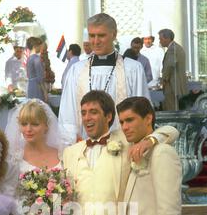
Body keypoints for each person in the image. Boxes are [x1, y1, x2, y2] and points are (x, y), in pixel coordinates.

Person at [58, 13, 150, 147]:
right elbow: (68, 114)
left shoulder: (132, 69)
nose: (95, 41)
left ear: (114, 34)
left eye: (101, 35)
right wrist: (70, 145)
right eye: (92, 36)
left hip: (123, 147)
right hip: (85, 147)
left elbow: (142, 110)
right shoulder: (76, 71)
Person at [159, 29, 188, 111]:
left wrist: (164, 80)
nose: (160, 41)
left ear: (167, 39)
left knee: (171, 110)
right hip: (176, 85)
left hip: (172, 85)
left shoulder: (172, 49)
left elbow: (169, 65)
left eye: (161, 39)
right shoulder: (177, 47)